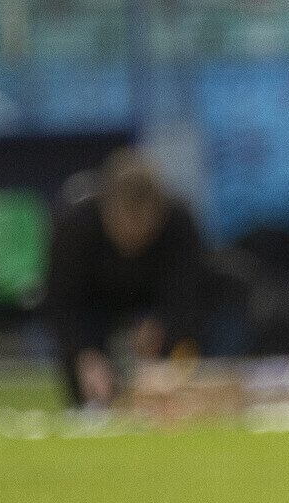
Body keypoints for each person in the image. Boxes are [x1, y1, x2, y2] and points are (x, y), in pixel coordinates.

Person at [43, 149, 207, 409]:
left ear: (159, 213)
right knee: (87, 388)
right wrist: (84, 353)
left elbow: (188, 295)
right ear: (105, 208)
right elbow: (61, 303)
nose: (133, 236)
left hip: (155, 308)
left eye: (143, 227)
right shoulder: (74, 228)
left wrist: (165, 331)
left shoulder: (180, 225)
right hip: (95, 311)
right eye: (124, 225)